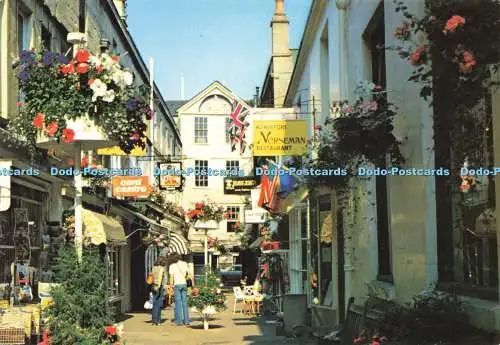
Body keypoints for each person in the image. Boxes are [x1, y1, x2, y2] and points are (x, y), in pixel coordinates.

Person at [168, 253, 192, 326]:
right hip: (184, 284)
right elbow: (188, 274)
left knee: (178, 303)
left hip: (177, 285)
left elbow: (171, 278)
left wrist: (171, 287)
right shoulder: (185, 263)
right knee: (185, 303)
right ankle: (187, 320)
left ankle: (179, 321)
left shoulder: (172, 266)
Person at [151, 256, 167, 325]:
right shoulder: (162, 268)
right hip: (159, 286)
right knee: (159, 303)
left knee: (154, 303)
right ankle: (158, 320)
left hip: (153, 285)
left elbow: (152, 276)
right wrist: (159, 286)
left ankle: (154, 320)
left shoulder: (154, 267)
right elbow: (160, 277)